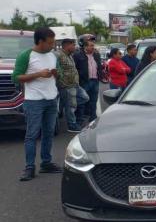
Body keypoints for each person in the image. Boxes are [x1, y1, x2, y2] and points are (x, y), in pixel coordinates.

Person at [12, 27, 63, 181]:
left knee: (48, 133)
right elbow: (16, 77)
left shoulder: (53, 55)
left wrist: (56, 73)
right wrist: (38, 74)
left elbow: (58, 74)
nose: (53, 45)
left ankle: (46, 163)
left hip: (51, 99)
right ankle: (29, 167)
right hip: (34, 101)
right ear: (40, 41)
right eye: (50, 42)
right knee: (32, 135)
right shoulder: (26, 55)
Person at [55, 38, 89, 133]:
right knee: (71, 105)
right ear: (67, 45)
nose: (75, 47)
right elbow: (54, 69)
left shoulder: (70, 56)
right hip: (66, 86)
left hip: (75, 85)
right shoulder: (58, 55)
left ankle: (65, 106)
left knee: (85, 98)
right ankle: (72, 125)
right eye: (73, 45)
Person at [73, 37, 102, 124]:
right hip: (84, 82)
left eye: (93, 45)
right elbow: (75, 69)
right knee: (81, 101)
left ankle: (93, 117)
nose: (93, 47)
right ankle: (79, 120)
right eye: (91, 45)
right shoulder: (78, 55)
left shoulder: (96, 55)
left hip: (95, 81)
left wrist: (100, 74)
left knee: (94, 100)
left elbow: (99, 66)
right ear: (85, 47)